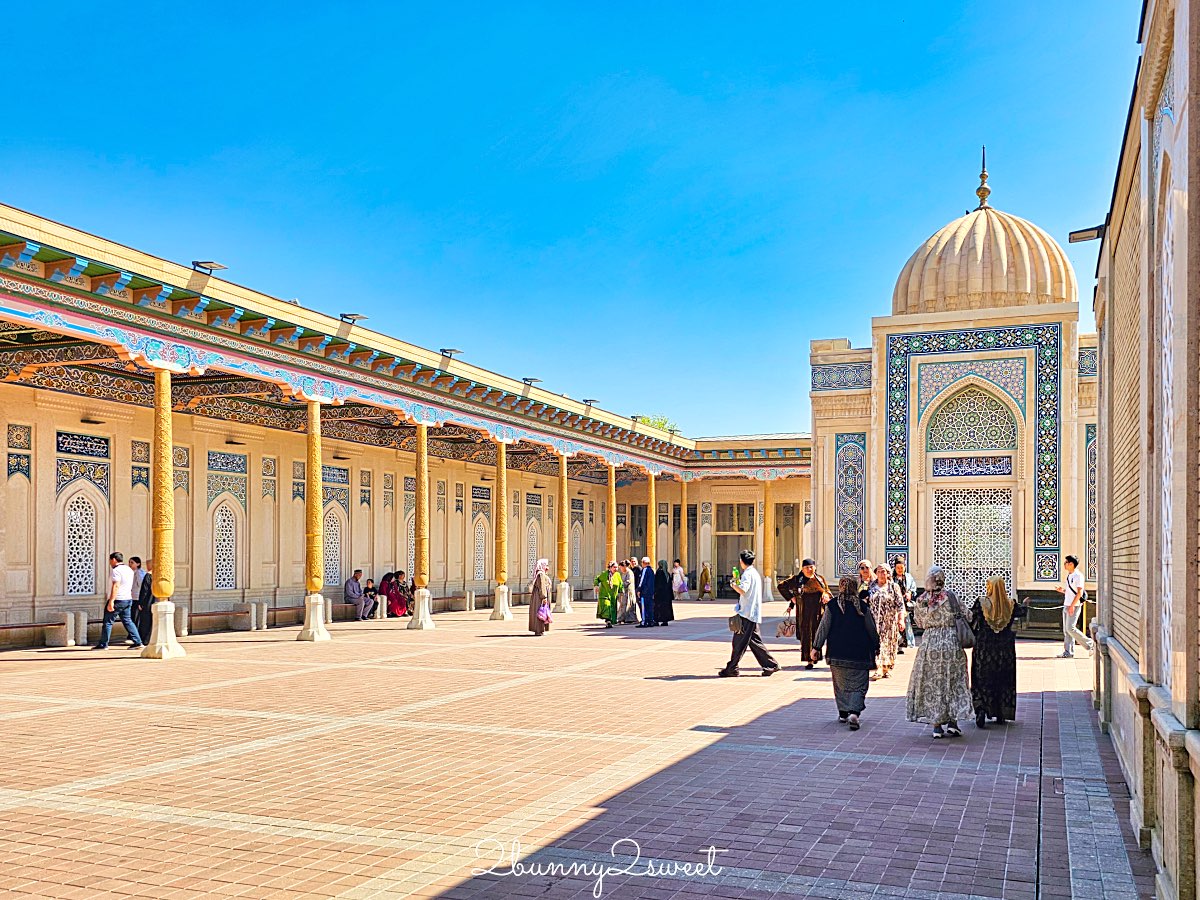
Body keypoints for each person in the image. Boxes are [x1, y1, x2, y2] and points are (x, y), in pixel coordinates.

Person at [906, 566, 973, 738]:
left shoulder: (922, 599)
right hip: (952, 643)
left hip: (930, 644)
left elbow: (919, 623)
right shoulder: (951, 597)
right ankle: (953, 722)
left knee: (934, 683)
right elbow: (968, 615)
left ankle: (936, 725)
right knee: (953, 681)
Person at [812, 576, 880, 730]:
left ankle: (843, 713)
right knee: (859, 685)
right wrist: (876, 645)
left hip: (837, 654)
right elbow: (871, 629)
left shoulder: (832, 606)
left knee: (841, 685)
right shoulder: (862, 607)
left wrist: (816, 647)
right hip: (860, 655)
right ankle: (854, 712)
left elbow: (823, 628)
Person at [719, 550, 780, 677]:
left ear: (742, 561)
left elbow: (742, 590)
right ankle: (771, 665)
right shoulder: (754, 573)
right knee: (754, 642)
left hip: (747, 613)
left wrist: (733, 584)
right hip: (752, 612)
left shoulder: (747, 574)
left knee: (738, 642)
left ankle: (732, 668)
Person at [971, 576, 1020, 728]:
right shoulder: (1011, 604)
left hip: (984, 649)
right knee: (1002, 679)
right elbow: (1022, 612)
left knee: (982, 678)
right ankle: (1001, 713)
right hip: (1004, 650)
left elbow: (972, 619)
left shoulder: (982, 603)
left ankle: (981, 708)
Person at [778, 558, 830, 670]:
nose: (809, 569)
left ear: (814, 567)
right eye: (806, 567)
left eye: (811, 567)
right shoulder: (797, 580)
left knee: (817, 634)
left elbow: (827, 591)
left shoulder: (820, 579)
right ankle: (809, 660)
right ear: (802, 569)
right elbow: (781, 586)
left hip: (817, 613)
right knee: (806, 636)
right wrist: (791, 598)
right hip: (804, 613)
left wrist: (826, 595)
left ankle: (815, 656)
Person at [93, 551, 143, 650]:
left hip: (118, 599)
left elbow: (116, 585)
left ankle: (103, 644)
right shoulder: (129, 569)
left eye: (110, 560)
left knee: (108, 622)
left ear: (114, 560)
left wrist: (111, 601)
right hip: (127, 599)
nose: (110, 563)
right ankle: (138, 642)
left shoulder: (116, 570)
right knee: (128, 621)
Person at [868, 563, 904, 679]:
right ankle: (879, 668)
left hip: (889, 623)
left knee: (888, 645)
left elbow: (900, 605)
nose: (881, 574)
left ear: (888, 573)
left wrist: (901, 620)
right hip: (874, 622)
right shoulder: (872, 586)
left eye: (883, 571)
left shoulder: (893, 587)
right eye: (878, 571)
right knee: (879, 644)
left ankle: (885, 668)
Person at [1055, 555, 1094, 657]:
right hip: (1067, 604)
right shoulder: (1069, 575)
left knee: (1070, 628)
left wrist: (1072, 606)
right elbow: (1071, 592)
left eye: (1066, 562)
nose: (1064, 564)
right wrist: (1062, 590)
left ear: (1071, 564)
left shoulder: (1078, 576)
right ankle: (1068, 652)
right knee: (1066, 630)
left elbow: (1079, 593)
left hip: (1074, 606)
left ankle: (1090, 644)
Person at [892, 555, 917, 652]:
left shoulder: (908, 577)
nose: (899, 569)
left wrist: (910, 593)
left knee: (906, 623)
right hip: (895, 604)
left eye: (901, 568)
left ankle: (908, 643)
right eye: (898, 568)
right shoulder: (892, 578)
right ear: (895, 567)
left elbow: (913, 588)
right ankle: (897, 645)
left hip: (905, 604)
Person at [132, 557, 154, 643]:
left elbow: (144, 591)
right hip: (155, 600)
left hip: (147, 602)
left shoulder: (148, 576)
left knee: (145, 621)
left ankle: (145, 639)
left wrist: (140, 603)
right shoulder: (157, 576)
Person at [529, 558, 552, 636]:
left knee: (541, 613)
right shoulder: (541, 574)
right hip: (539, 597)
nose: (547, 567)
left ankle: (540, 630)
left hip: (538, 596)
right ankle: (539, 630)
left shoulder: (541, 574)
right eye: (546, 565)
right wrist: (544, 597)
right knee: (540, 612)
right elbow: (542, 586)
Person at [594, 562, 621, 628]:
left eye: (617, 567)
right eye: (614, 567)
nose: (616, 569)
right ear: (610, 567)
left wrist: (621, 592)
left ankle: (610, 621)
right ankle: (608, 621)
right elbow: (597, 579)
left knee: (612, 609)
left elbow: (621, 584)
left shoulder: (617, 575)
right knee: (607, 606)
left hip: (613, 596)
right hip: (605, 595)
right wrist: (596, 585)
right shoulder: (604, 574)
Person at [653, 560, 675, 626]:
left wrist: (655, 592)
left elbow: (657, 584)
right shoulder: (667, 573)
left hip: (660, 594)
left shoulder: (659, 572)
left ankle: (657, 620)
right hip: (667, 595)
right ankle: (665, 621)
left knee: (658, 607)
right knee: (666, 608)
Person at [637, 556, 655, 627]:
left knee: (644, 607)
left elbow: (642, 581)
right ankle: (650, 621)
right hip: (650, 592)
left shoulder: (645, 570)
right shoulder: (652, 570)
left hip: (644, 592)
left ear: (644, 563)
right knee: (649, 606)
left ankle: (644, 621)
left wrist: (639, 589)